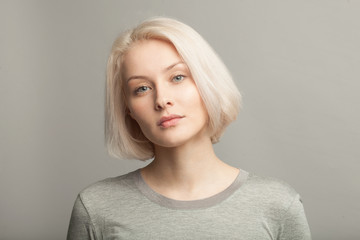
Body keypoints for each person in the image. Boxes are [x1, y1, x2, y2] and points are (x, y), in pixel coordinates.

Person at [67, 17, 311, 240]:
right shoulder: (96, 208)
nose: (162, 99)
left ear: (208, 84)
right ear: (128, 109)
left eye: (177, 77)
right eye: (142, 88)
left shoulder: (277, 205)